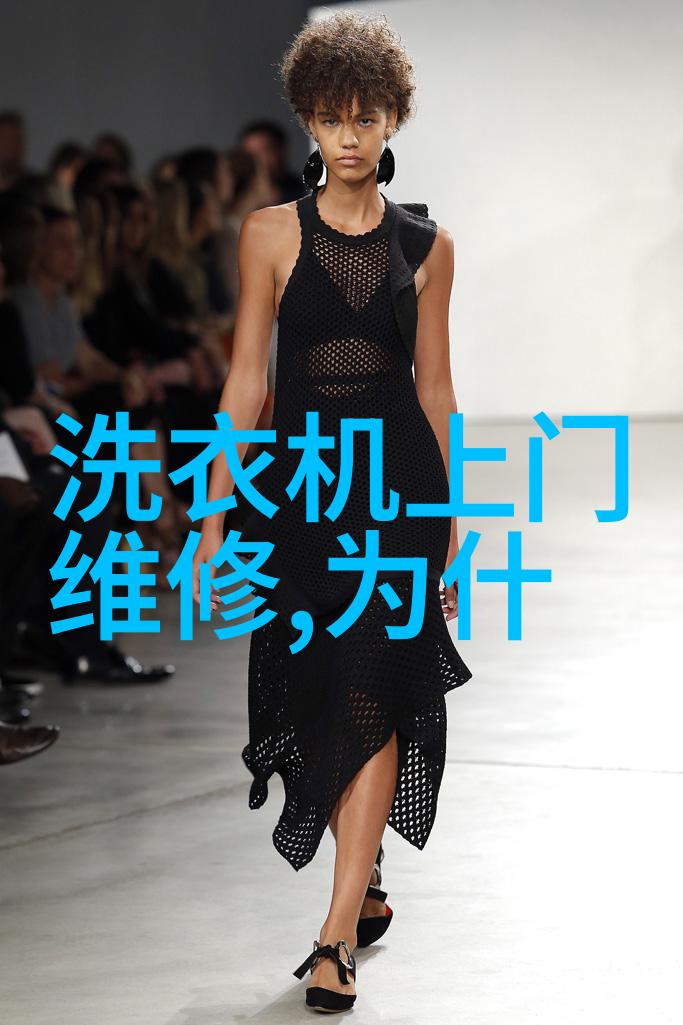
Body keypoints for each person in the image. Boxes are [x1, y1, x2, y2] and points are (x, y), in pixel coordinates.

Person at [193, 10, 473, 1012]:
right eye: (328, 117)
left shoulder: (427, 246)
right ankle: (366, 867)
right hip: (302, 495)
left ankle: (334, 935)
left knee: (373, 690)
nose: (347, 136)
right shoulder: (269, 234)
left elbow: (435, 390)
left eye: (365, 116)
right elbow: (244, 383)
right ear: (305, 120)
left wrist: (451, 527)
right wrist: (212, 517)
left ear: (393, 119)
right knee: (318, 699)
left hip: (396, 495)